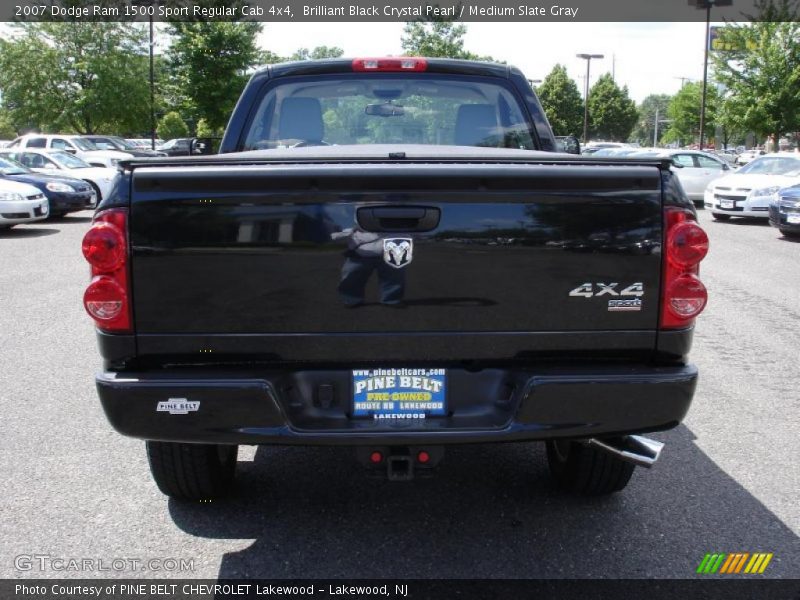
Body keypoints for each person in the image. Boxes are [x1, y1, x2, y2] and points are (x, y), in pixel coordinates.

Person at [331, 227, 407, 307]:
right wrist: (350, 232)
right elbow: (335, 237)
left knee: (394, 279)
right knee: (351, 278)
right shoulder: (353, 230)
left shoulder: (394, 228)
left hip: (390, 255)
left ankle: (392, 300)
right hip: (359, 256)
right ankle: (351, 300)